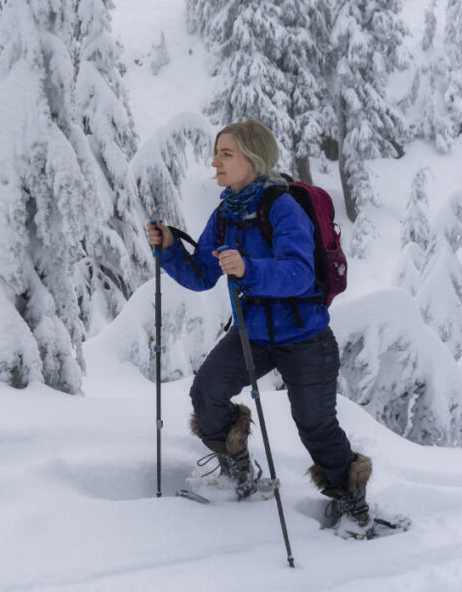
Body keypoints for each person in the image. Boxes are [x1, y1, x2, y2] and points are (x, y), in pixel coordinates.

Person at [146, 119, 372, 529]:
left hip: (306, 336)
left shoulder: (281, 207)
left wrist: (249, 268)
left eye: (226, 154)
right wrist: (170, 249)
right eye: (216, 153)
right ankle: (238, 469)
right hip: (255, 333)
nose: (215, 162)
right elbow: (201, 274)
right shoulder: (227, 213)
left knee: (315, 426)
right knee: (206, 393)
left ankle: (351, 502)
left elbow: (300, 273)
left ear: (253, 158)